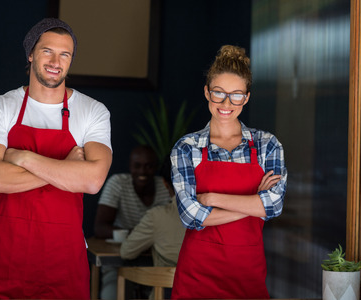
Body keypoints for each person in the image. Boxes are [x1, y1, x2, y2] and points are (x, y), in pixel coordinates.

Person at [0, 18, 112, 300]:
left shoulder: (92, 112)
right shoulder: (1, 107)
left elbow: (93, 180)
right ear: (31, 54)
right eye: (47, 51)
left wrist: (21, 157)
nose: (55, 61)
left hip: (63, 263)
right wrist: (68, 170)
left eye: (65, 54)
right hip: (5, 257)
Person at [170, 45, 287, 299]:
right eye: (218, 93)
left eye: (236, 95)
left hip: (248, 275)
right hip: (197, 276)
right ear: (206, 93)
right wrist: (254, 202)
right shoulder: (187, 148)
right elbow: (191, 216)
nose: (226, 103)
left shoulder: (267, 145)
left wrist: (213, 199)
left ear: (246, 97)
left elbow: (274, 206)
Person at [94, 145, 171, 300]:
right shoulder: (118, 183)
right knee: (111, 295)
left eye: (149, 166)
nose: (142, 171)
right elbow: (99, 227)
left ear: (156, 168)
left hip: (156, 263)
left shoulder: (165, 186)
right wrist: (141, 236)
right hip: (119, 261)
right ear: (129, 166)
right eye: (137, 166)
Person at [120, 156, 185, 267]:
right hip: (207, 283)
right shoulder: (215, 215)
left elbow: (126, 252)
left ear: (164, 183)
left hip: (165, 283)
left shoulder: (156, 217)